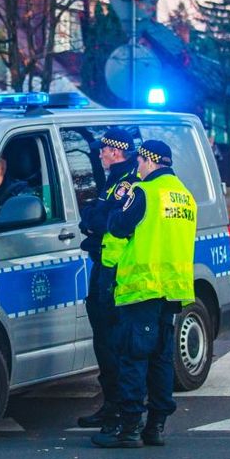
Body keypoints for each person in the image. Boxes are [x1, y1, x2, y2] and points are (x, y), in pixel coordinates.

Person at [93, 140, 197, 449]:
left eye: (139, 160)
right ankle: (156, 427)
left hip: (142, 288)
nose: (136, 166)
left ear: (149, 161)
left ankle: (128, 430)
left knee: (133, 358)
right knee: (161, 360)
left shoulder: (144, 192)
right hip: (172, 289)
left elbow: (118, 227)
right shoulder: (185, 196)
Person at [76, 129, 139, 430]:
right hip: (104, 265)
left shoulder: (125, 181)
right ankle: (111, 404)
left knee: (111, 340)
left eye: (103, 150)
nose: (99, 154)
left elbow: (105, 220)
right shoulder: (114, 179)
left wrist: (91, 219)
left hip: (113, 270)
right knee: (104, 339)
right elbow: (93, 215)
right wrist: (92, 218)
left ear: (115, 152)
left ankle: (117, 408)